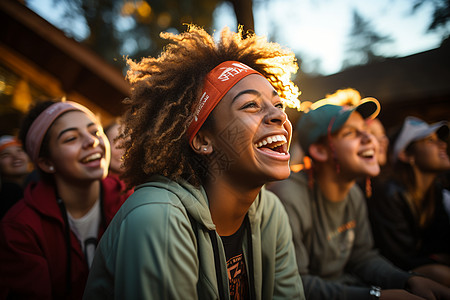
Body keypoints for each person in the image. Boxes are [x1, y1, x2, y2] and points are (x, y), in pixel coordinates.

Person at [83, 25, 305, 299]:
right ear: (202, 140)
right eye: (250, 105)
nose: (279, 116)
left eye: (278, 105)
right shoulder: (157, 218)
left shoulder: (270, 211)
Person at [268, 101, 450, 299]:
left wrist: (408, 280)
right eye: (350, 133)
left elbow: (362, 257)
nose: (369, 138)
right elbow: (296, 283)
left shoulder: (354, 193)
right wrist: (376, 296)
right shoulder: (289, 195)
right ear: (320, 151)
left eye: (365, 129)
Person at [0, 99, 131, 299]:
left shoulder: (130, 201)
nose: (92, 141)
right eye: (71, 138)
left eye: (95, 132)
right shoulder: (21, 228)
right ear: (46, 162)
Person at [368, 116, 450, 287]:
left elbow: (441, 242)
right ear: (406, 154)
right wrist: (434, 258)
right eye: (429, 140)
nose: (442, 144)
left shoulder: (436, 190)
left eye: (438, 140)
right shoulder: (388, 192)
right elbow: (400, 258)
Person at [0, 135, 32, 219]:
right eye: (6, 155)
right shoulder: (8, 193)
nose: (16, 157)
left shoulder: (37, 186)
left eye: (20, 151)